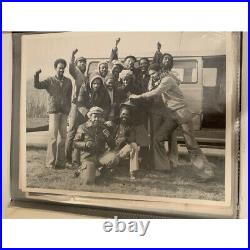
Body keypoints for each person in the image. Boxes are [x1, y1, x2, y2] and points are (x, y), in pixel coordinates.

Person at [129, 54, 216, 180]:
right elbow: (153, 90)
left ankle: (206, 173)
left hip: (182, 113)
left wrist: (138, 96)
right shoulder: (159, 80)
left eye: (153, 74)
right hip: (172, 115)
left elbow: (155, 92)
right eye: (150, 74)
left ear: (159, 72)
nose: (152, 76)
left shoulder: (167, 80)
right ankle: (163, 168)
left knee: (191, 144)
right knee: (157, 139)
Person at [34, 58, 72, 169]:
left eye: (63, 68)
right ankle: (50, 163)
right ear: (55, 68)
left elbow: (69, 97)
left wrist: (68, 109)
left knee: (63, 138)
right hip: (54, 112)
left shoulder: (68, 81)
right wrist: (36, 75)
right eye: (59, 68)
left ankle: (61, 163)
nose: (61, 70)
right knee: (53, 138)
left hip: (64, 112)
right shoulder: (50, 80)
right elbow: (37, 85)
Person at [73, 107, 115, 185]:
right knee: (88, 182)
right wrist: (85, 144)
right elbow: (75, 143)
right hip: (88, 158)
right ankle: (82, 170)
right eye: (95, 116)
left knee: (113, 157)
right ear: (90, 116)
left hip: (100, 157)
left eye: (99, 116)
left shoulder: (104, 128)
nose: (97, 119)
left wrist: (109, 135)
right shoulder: (82, 127)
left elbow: (113, 145)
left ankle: (102, 172)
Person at [65, 49, 88, 164]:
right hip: (75, 106)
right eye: (81, 62)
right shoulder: (76, 72)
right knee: (72, 131)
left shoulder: (85, 76)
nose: (83, 64)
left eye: (84, 62)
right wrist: (72, 55)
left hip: (82, 106)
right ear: (77, 64)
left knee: (81, 131)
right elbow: (70, 67)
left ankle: (76, 159)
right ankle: (67, 158)